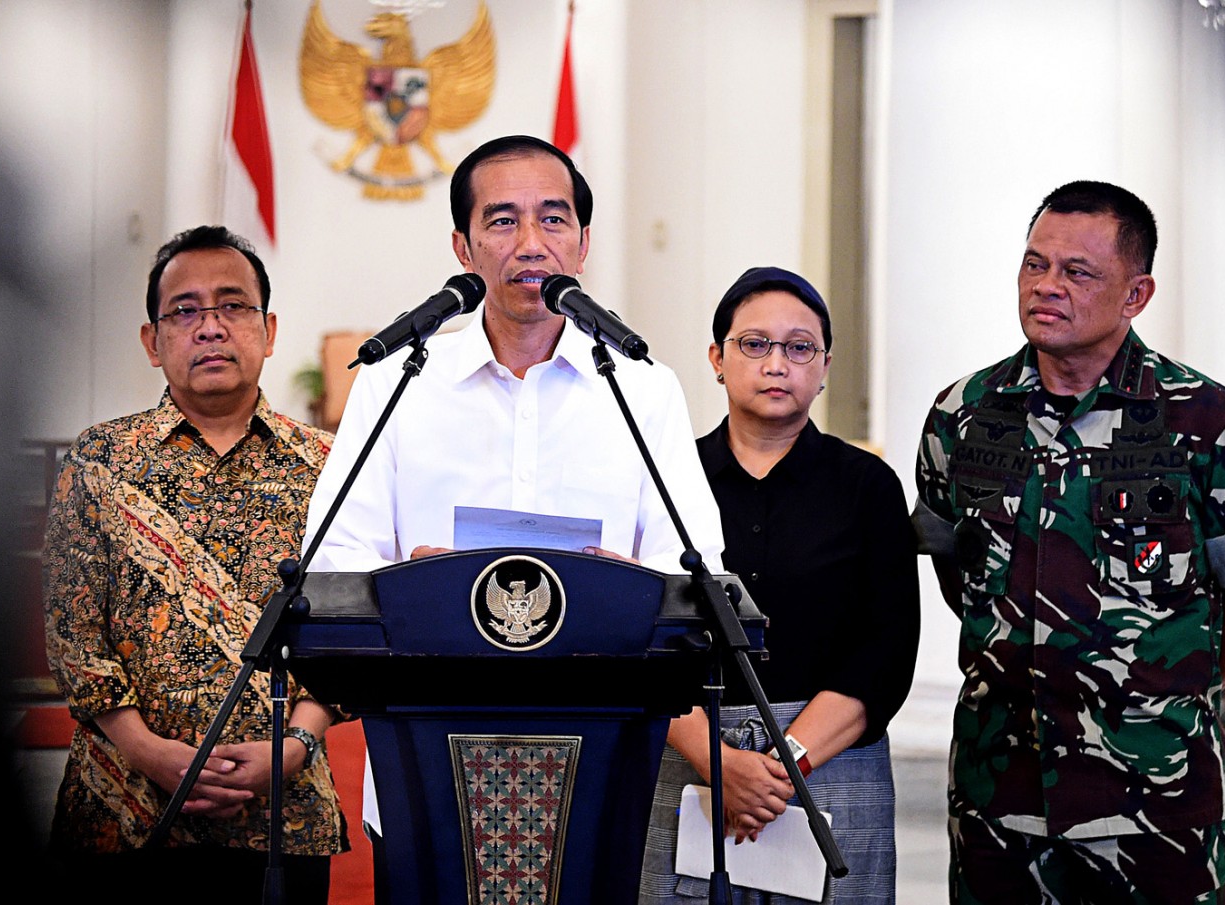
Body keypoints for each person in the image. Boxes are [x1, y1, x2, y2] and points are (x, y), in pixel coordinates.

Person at [302, 135, 724, 892]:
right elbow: (332, 563)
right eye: (502, 221)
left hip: (602, 757)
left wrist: (634, 589)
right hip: (424, 754)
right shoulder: (397, 383)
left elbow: (697, 573)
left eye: (553, 220)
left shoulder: (642, 386)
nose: (532, 243)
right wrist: (409, 587)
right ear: (463, 246)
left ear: (585, 242)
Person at [912, 181, 1225, 904]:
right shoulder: (961, 417)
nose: (1046, 286)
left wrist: (1165, 694)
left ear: (1136, 293)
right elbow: (954, 570)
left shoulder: (1209, 423)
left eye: (1077, 271)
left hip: (1156, 808)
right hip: (1001, 798)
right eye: (1035, 265)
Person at [42, 226, 350, 904]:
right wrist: (150, 751)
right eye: (185, 310)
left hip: (282, 812)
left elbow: (348, 631)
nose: (210, 326)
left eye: (232, 305)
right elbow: (73, 636)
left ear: (268, 330)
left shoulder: (329, 466)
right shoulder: (100, 460)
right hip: (123, 803)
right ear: (153, 342)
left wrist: (297, 742)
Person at [639, 267, 921, 904]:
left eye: (799, 347)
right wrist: (718, 760)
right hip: (689, 754)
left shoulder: (867, 486)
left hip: (830, 757)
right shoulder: (665, 479)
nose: (777, 364)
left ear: (823, 367)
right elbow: (639, 638)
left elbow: (886, 651)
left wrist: (778, 766)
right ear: (717, 358)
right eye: (755, 344)